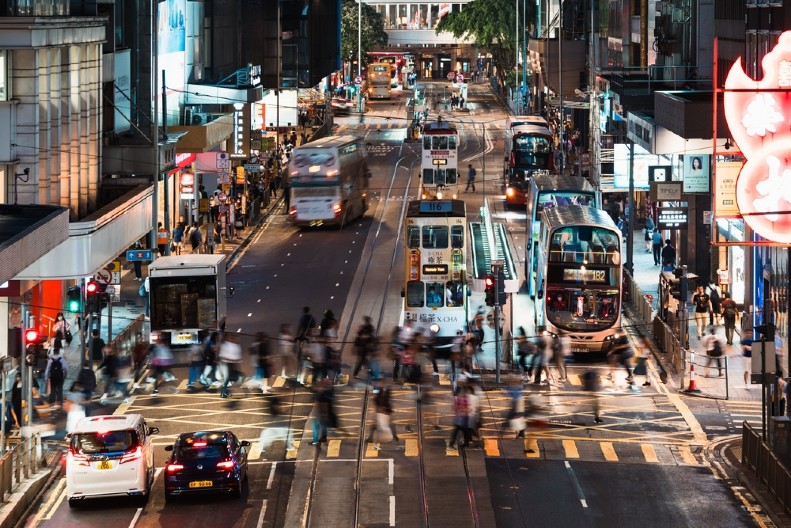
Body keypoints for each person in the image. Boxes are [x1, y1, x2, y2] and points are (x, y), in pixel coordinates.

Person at [310, 378, 337, 446]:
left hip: (321, 413)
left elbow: (323, 404)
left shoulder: (323, 394)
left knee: (315, 426)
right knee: (323, 425)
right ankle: (323, 437)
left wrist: (322, 415)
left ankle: (315, 440)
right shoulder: (329, 392)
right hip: (325, 413)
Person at [218, 334, 243, 398]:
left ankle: (225, 392)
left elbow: (236, 355)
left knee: (229, 378)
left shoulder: (233, 345)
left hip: (230, 364)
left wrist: (237, 361)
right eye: (230, 337)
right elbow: (221, 355)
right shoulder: (225, 345)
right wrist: (233, 359)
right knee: (227, 378)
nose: (232, 339)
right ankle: (223, 393)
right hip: (225, 364)